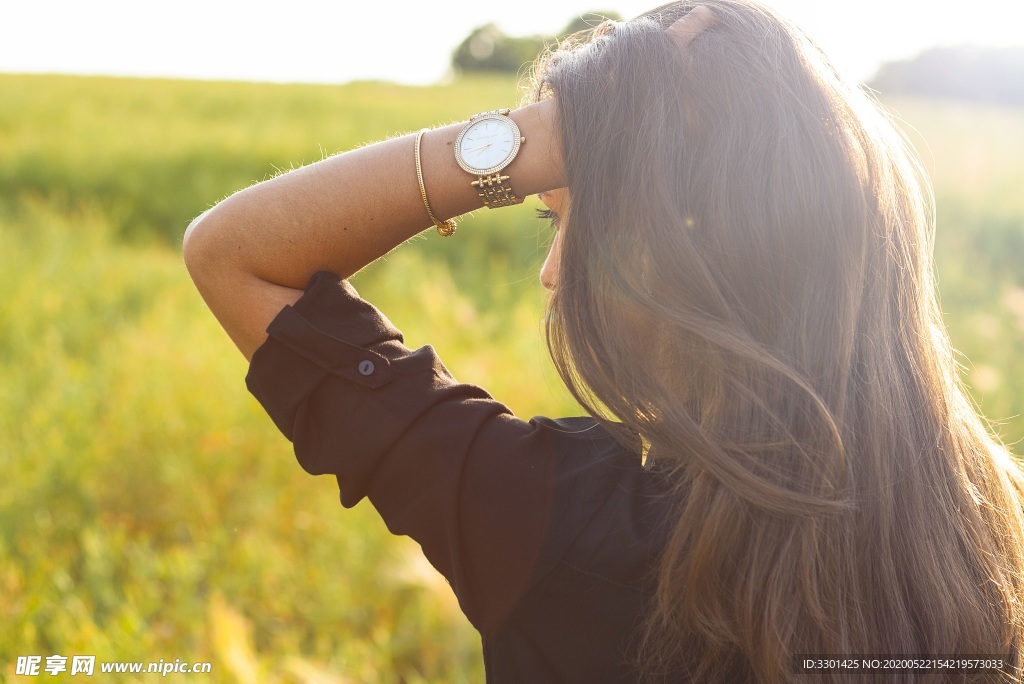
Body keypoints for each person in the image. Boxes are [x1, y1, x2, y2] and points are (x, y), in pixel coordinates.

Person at [183, 1, 1024, 681]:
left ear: (699, 249)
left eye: (579, 223)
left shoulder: (562, 529)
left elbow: (236, 255)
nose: (553, 272)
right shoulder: (987, 525)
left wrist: (544, 136)